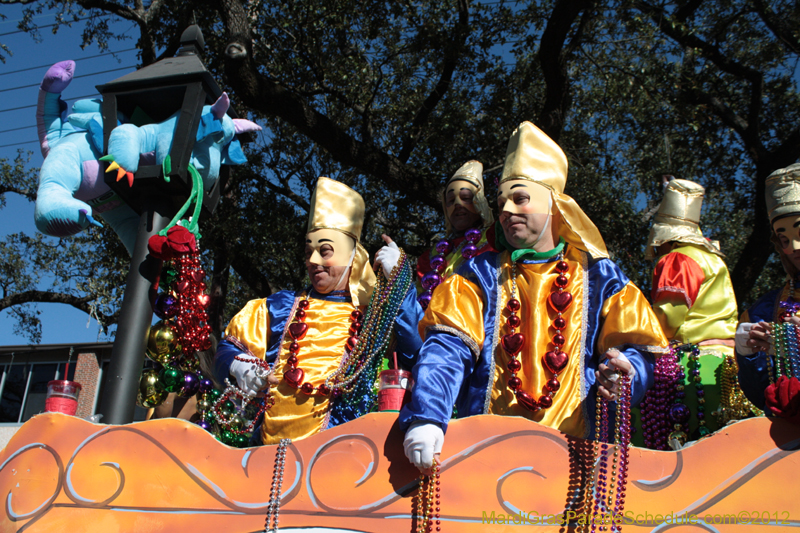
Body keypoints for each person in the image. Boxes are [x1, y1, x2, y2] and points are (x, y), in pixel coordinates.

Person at [400, 121, 668, 470]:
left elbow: (640, 352)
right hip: (482, 462)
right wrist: (427, 417)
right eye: (501, 202)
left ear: (554, 205)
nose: (507, 209)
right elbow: (447, 351)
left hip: (582, 467)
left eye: (520, 198)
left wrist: (629, 373)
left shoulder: (602, 278)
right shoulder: (475, 275)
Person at [214, 177, 422, 445]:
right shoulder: (279, 307)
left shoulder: (375, 318)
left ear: (352, 257)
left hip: (343, 458)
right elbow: (228, 348)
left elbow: (414, 349)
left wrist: (400, 281)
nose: (313, 262)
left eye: (325, 251)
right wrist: (239, 365)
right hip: (264, 456)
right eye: (308, 251)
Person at [640, 178, 753, 444]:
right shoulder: (713, 259)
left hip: (693, 370)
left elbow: (667, 318)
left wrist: (628, 332)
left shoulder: (678, 258)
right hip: (728, 365)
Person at [737, 163, 800, 411]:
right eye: (784, 239)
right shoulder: (763, 310)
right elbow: (761, 397)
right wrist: (747, 356)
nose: (794, 247)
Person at [416, 161, 495, 309]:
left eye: (465, 198)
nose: (458, 204)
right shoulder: (429, 257)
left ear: (479, 202)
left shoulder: (496, 237)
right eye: (451, 200)